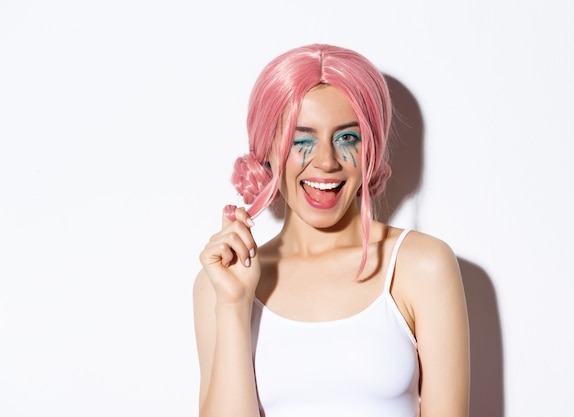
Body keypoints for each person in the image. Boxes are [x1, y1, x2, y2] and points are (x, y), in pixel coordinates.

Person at [193, 44, 470, 417]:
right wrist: (233, 304)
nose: (326, 161)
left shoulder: (421, 266)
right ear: (267, 151)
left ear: (371, 148)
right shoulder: (221, 283)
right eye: (300, 140)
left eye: (347, 138)